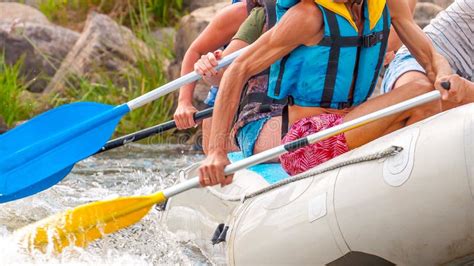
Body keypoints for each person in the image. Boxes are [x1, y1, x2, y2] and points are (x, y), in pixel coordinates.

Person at [198, 0, 458, 186]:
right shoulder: (307, 16)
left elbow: (431, 58)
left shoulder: (387, 5)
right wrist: (215, 150)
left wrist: (445, 77)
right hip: (294, 138)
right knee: (418, 93)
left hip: (343, 125)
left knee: (429, 100)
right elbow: (237, 69)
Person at [195, 0, 285, 159]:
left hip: (312, 116)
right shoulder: (259, 16)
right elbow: (223, 73)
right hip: (265, 116)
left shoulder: (337, 16)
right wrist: (209, 68)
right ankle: (227, 145)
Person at [173, 0, 248, 153]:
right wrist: (184, 102)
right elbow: (196, 51)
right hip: (222, 99)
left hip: (270, 95)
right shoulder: (242, 11)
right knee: (218, 163)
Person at [381, 0, 473, 109]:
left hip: (458, 83)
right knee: (419, 97)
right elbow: (392, 40)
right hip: (419, 60)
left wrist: (468, 92)